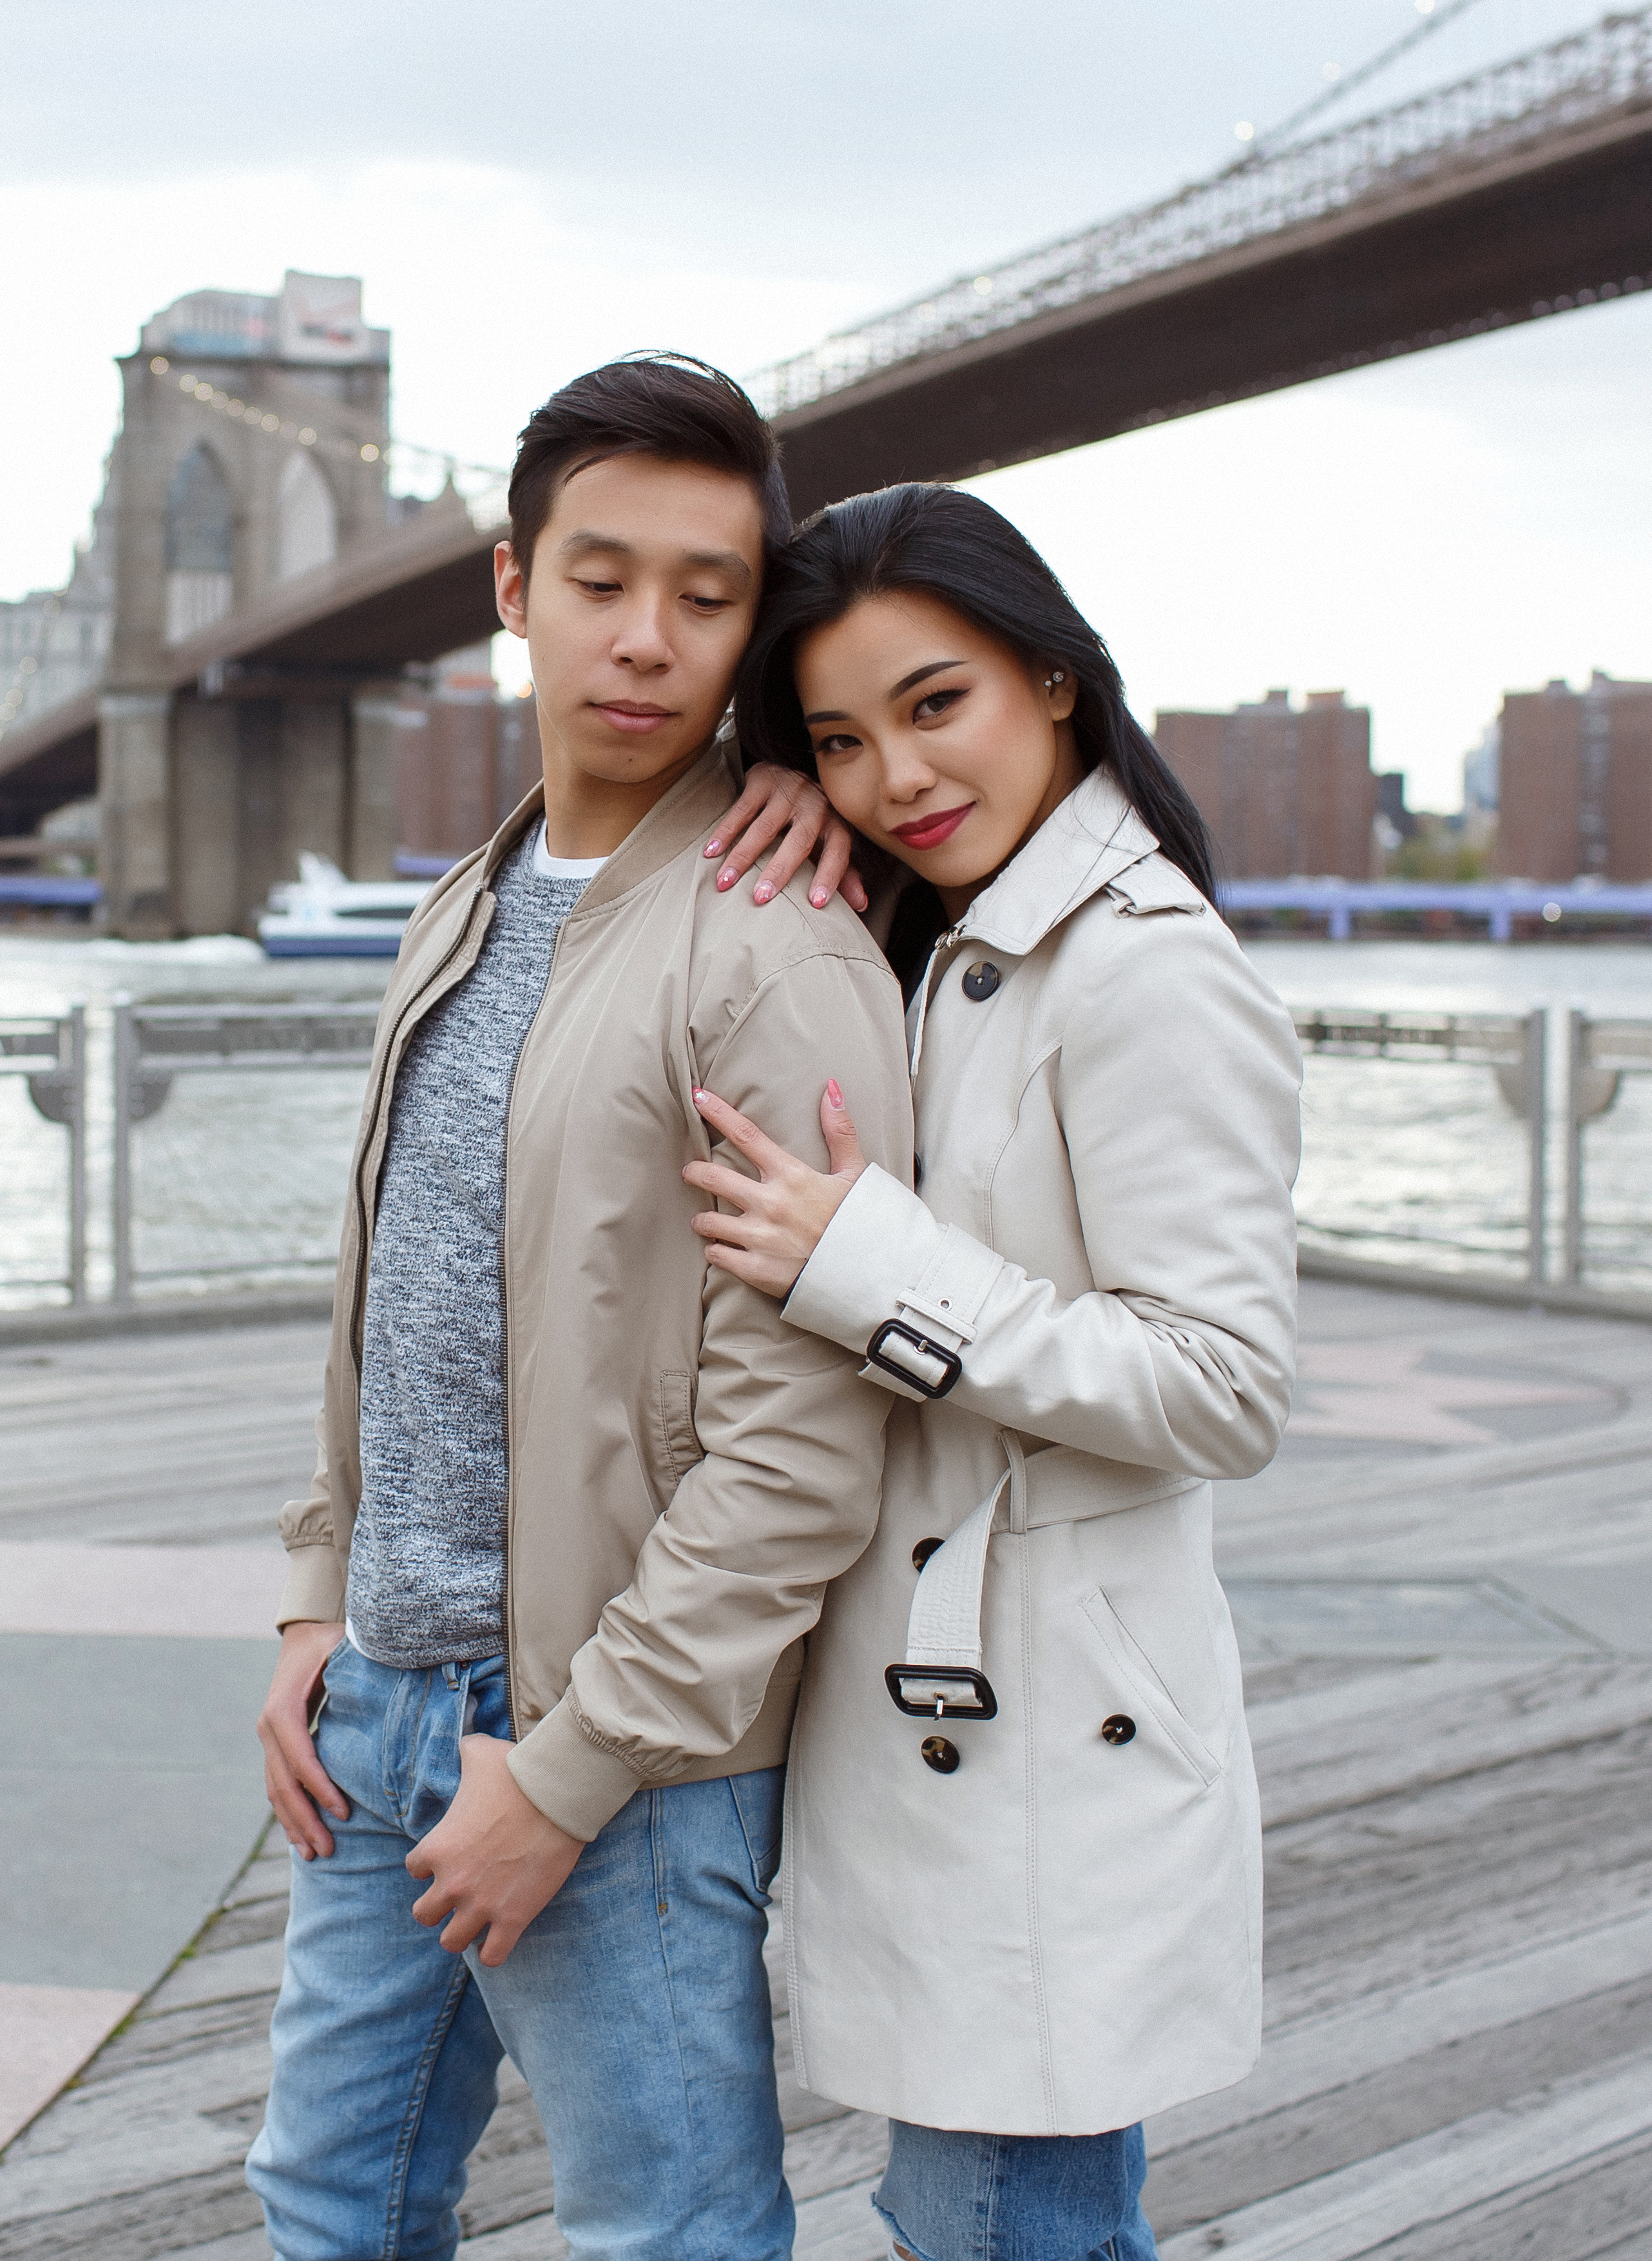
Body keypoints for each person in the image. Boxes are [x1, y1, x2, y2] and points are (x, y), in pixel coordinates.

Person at [248, 356, 912, 2261]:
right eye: (600, 579)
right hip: (382, 1694)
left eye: (708, 599)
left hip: (605, 1738)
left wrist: (572, 1768)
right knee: (326, 2205)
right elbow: (389, 1288)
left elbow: (808, 1445)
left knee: (669, 2235)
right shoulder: (465, 898)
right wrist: (320, 1592)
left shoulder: (776, 940)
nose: (648, 640)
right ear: (509, 587)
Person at [682, 483, 1300, 2261]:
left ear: (1051, 679)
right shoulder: (960, 940)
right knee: (973, 2204)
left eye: (934, 704)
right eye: (841, 738)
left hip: (1046, 1732)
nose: (897, 775)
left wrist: (866, 1267)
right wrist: (785, 803)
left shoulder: (1144, 972)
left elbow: (1223, 1384)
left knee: (996, 2213)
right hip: (965, 1707)